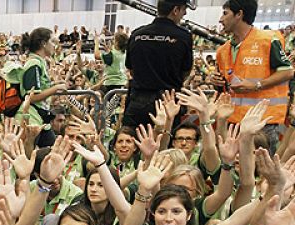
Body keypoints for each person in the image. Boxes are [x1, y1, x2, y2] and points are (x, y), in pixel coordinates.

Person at [212, 0, 294, 152]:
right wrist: (216, 82)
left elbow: (287, 71)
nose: (220, 19)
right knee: (231, 169)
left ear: (239, 14)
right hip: (232, 122)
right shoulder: (222, 51)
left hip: (262, 123)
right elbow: (225, 87)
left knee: (261, 171)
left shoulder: (268, 40)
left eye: (225, 13)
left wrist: (256, 85)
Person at [123, 0, 194, 128]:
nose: (185, 13)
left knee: (132, 142)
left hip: (138, 101)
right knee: (167, 144)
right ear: (175, 10)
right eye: (184, 10)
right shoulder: (183, 36)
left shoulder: (137, 34)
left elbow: (131, 68)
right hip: (168, 102)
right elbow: (186, 71)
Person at [19, 28, 67, 148]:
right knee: (28, 156)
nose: (54, 46)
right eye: (52, 41)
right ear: (43, 43)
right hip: (33, 117)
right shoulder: (34, 64)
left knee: (52, 152)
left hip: (42, 117)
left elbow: (40, 88)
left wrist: (52, 85)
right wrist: (55, 88)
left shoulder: (40, 62)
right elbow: (32, 97)